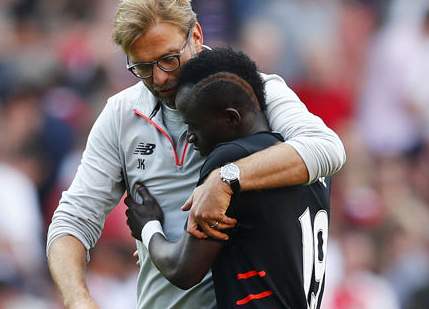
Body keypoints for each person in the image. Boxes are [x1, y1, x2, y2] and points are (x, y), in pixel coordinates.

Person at [47, 0, 345, 309]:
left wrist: (226, 178)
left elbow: (327, 148)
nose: (159, 78)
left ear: (197, 36)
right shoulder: (121, 114)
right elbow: (73, 218)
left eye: (168, 59)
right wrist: (77, 298)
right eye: (142, 68)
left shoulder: (252, 92)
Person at [125, 47, 331, 308]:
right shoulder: (312, 168)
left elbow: (184, 270)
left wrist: (148, 228)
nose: (189, 137)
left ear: (230, 118)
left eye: (193, 124)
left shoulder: (229, 160)